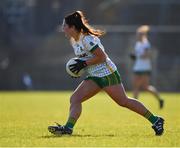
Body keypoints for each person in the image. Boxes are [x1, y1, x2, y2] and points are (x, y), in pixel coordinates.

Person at [48, 11, 164, 136]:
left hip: (107, 73)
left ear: (73, 27)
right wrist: (77, 70)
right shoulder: (73, 41)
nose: (63, 28)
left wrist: (83, 64)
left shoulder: (87, 39)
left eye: (64, 25)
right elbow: (85, 59)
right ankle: (68, 128)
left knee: (123, 101)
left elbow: (102, 57)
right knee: (75, 99)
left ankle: (156, 120)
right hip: (94, 76)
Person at [130, 25, 164, 109]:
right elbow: (138, 55)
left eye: (138, 34)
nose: (137, 36)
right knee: (140, 86)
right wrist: (134, 56)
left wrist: (137, 55)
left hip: (144, 67)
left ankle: (135, 106)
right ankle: (159, 99)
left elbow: (147, 55)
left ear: (142, 35)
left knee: (140, 87)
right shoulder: (138, 43)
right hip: (138, 67)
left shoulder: (146, 43)